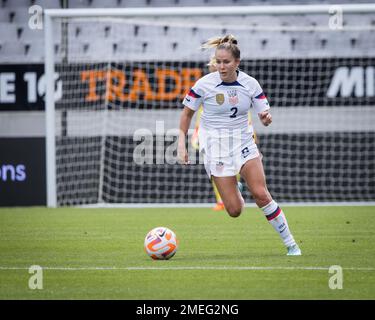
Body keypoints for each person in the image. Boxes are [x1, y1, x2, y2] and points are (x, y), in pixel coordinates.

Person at [178, 34, 301, 256]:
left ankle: (291, 243)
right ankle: (236, 191)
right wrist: (181, 144)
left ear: (237, 63)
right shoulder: (204, 85)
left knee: (262, 194)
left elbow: (263, 112)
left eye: (226, 62)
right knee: (234, 210)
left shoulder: (250, 84)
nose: (221, 66)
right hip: (216, 148)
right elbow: (186, 114)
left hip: (243, 143)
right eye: (218, 61)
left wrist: (265, 118)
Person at [192, 57, 260, 211]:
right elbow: (199, 115)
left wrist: (251, 132)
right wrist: (197, 133)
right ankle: (221, 200)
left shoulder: (236, 88)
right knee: (217, 168)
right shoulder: (206, 87)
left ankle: (234, 191)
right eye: (214, 65)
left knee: (234, 167)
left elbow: (243, 113)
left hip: (235, 136)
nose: (216, 68)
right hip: (213, 137)